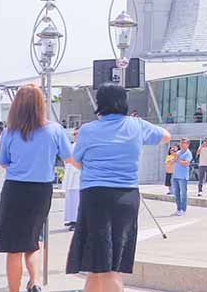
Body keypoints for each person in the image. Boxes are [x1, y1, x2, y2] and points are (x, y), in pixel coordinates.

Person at [66, 84, 170, 292]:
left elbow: (75, 162)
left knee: (103, 264)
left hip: (95, 197)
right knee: (105, 264)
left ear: (99, 103)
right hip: (127, 197)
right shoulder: (136, 125)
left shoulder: (88, 130)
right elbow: (165, 135)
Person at [0, 84, 74, 292]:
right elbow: (68, 157)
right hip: (41, 190)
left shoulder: (9, 131)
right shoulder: (55, 129)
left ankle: (14, 290)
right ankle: (35, 281)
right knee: (33, 239)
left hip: (15, 189)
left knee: (13, 248)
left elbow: (3, 162)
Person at [62, 128, 82, 230]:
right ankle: (71, 219)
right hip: (70, 174)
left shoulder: (82, 145)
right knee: (70, 199)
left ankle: (77, 221)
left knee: (77, 199)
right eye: (74, 134)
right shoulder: (72, 145)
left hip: (77, 175)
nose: (75, 135)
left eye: (76, 134)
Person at [170, 138, 191, 216]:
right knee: (176, 194)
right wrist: (171, 159)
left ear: (187, 144)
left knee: (183, 194)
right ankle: (178, 209)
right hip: (175, 176)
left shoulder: (188, 153)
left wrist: (177, 159)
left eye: (184, 142)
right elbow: (173, 161)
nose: (182, 144)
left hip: (183, 176)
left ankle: (183, 209)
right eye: (181, 142)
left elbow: (186, 163)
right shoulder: (178, 152)